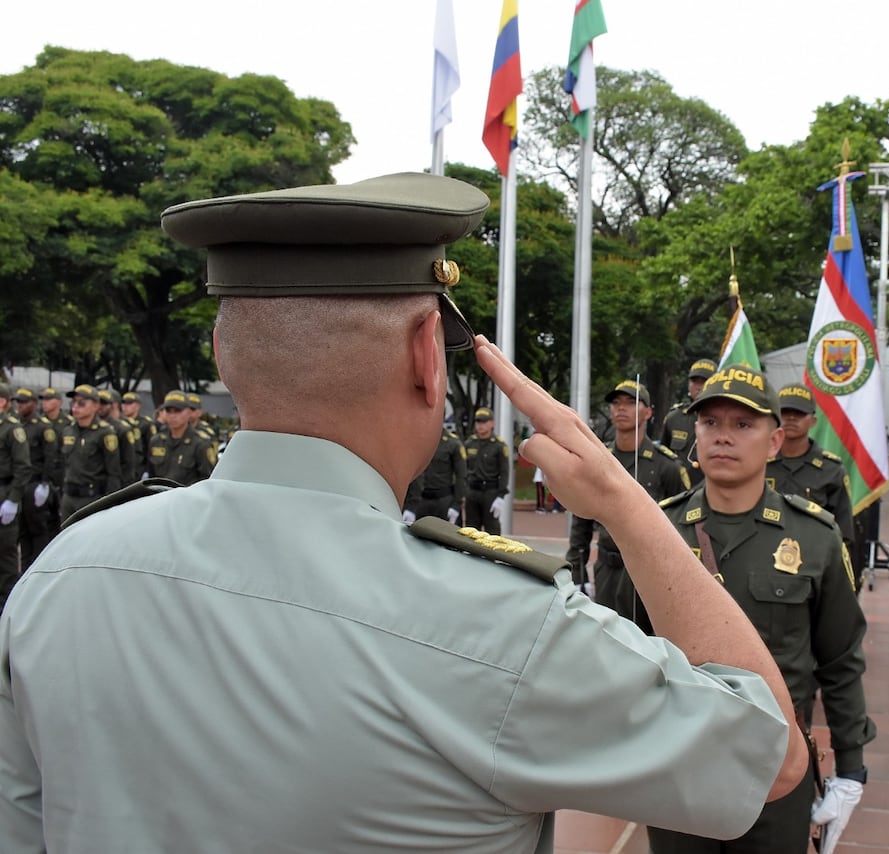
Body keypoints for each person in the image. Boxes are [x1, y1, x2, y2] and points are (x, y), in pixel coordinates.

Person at [0, 173, 808, 853]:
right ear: (430, 357)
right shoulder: (506, 628)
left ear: (220, 352)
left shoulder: (65, 575)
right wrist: (629, 506)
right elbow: (767, 754)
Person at [650, 364, 874, 854]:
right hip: (677, 757)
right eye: (710, 423)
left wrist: (851, 766)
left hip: (776, 759)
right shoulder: (657, 532)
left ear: (774, 443)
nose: (723, 437)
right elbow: (626, 650)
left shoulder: (813, 537)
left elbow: (839, 659)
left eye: (743, 425)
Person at [566, 380, 689, 625]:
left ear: (648, 412)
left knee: (649, 642)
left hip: (649, 573)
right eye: (616, 403)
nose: (621, 408)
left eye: (631, 403)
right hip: (607, 569)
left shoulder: (666, 466)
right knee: (605, 640)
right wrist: (577, 574)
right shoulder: (598, 461)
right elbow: (581, 522)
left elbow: (683, 524)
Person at [767, 383, 856, 559]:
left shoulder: (832, 469)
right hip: (762, 557)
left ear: (813, 420)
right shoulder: (757, 462)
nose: (791, 418)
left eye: (799, 413)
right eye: (785, 412)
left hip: (813, 561)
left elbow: (844, 533)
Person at [56, 384, 123, 520]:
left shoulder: (105, 433)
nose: (75, 407)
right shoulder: (68, 430)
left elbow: (113, 472)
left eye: (81, 403)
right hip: (68, 496)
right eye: (73, 402)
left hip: (91, 498)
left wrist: (111, 502)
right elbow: (63, 464)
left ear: (96, 406)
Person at [12, 388, 58, 571]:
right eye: (18, 402)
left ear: (33, 404)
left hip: (36, 484)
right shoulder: (16, 425)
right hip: (21, 484)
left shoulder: (43, 426)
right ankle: (24, 572)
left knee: (38, 531)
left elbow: (51, 457)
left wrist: (46, 483)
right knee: (22, 532)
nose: (20, 406)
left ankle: (39, 570)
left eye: (24, 402)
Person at [0, 384, 33, 605]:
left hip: (4, 491)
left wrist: (12, 499)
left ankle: (7, 601)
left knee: (5, 551)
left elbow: (23, 467)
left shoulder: (12, 429)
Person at [662, 357, 717, 485]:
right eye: (694, 381)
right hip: (679, 490)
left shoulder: (725, 419)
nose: (698, 387)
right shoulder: (674, 418)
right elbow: (664, 458)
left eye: (704, 381)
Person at [147, 390, 217, 486]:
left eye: (177, 411)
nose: (173, 416)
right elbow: (151, 477)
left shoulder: (200, 443)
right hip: (160, 497)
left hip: (187, 498)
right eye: (169, 411)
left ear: (188, 413)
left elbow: (208, 479)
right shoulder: (156, 441)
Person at [405, 422, 467, 525]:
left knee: (445, 538)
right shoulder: (418, 441)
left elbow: (461, 476)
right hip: (421, 500)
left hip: (444, 500)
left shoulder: (453, 443)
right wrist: (410, 506)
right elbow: (412, 475)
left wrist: (456, 504)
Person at [464, 407, 509, 535]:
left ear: (492, 423)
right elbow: (464, 470)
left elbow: (504, 472)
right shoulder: (469, 443)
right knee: (471, 531)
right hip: (472, 492)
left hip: (490, 492)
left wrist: (501, 495)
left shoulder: (499, 445)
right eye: (478, 422)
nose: (480, 425)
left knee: (492, 530)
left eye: (484, 422)